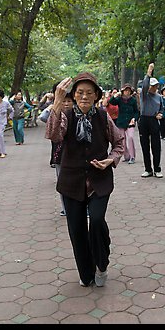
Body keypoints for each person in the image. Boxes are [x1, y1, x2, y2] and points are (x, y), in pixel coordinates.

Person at [45, 72, 124, 288]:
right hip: (71, 181)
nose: (85, 97)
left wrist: (110, 160)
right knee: (77, 229)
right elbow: (53, 135)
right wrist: (58, 101)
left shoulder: (102, 116)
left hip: (99, 180)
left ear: (97, 95)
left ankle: (101, 263)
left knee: (97, 221)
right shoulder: (65, 115)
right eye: (80, 92)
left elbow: (119, 142)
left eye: (90, 93)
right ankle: (86, 271)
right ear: (74, 94)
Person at [40, 87, 74, 216]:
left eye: (69, 101)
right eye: (63, 101)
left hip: (75, 153)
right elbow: (42, 117)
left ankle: (83, 207)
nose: (66, 104)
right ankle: (66, 208)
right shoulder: (54, 115)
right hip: (59, 153)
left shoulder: (78, 114)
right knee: (62, 181)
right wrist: (54, 105)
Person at [138, 63, 164, 178]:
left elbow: (162, 109)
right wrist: (149, 72)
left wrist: (160, 114)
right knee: (144, 145)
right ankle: (148, 169)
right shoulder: (144, 94)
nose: (154, 88)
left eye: (156, 86)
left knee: (156, 145)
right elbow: (144, 85)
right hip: (144, 120)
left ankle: (157, 169)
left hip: (154, 120)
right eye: (152, 85)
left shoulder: (159, 97)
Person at [108, 83, 139, 164]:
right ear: (123, 91)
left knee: (130, 138)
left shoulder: (133, 100)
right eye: (125, 90)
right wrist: (115, 95)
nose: (127, 92)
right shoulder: (119, 99)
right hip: (121, 122)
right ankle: (126, 156)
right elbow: (111, 102)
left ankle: (132, 156)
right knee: (122, 140)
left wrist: (134, 119)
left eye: (128, 90)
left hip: (130, 122)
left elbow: (136, 111)